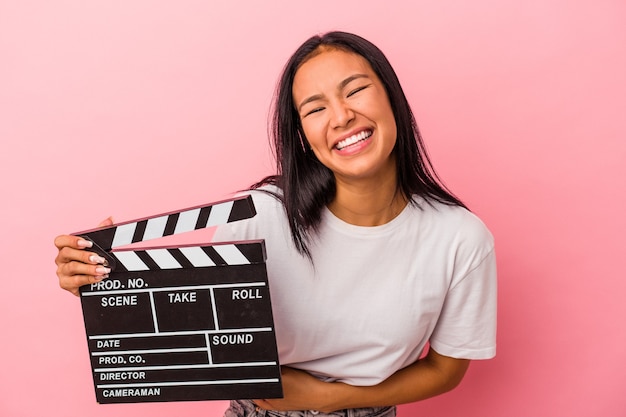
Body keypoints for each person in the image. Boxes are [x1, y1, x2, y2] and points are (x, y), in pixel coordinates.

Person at [55, 31, 496, 417]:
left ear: (391, 96)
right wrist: (102, 286)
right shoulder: (258, 216)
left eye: (355, 90)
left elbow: (445, 370)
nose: (341, 117)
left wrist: (331, 399)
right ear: (302, 134)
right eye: (315, 108)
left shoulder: (459, 238)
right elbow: (201, 332)